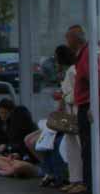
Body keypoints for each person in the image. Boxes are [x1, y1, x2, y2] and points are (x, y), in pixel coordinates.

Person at [66, 25, 94, 194]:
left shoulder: (87, 55)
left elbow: (93, 78)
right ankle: (85, 182)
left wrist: (93, 105)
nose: (67, 42)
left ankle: (89, 184)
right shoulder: (83, 55)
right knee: (83, 145)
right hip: (83, 104)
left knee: (87, 146)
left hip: (86, 105)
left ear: (76, 38)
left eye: (68, 38)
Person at [54, 44, 86, 193]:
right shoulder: (67, 71)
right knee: (71, 147)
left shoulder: (73, 71)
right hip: (69, 110)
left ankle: (82, 180)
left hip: (75, 109)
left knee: (79, 146)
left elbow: (75, 92)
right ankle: (75, 179)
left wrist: (64, 96)